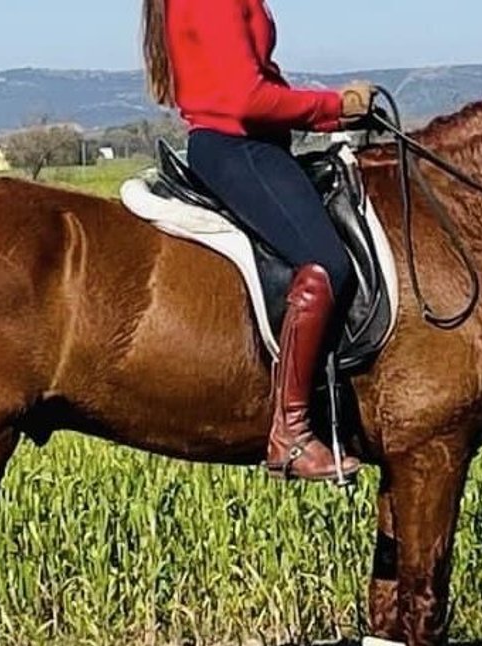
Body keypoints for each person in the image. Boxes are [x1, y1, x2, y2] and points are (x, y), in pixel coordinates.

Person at [142, 0, 373, 482]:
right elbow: (248, 99)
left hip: (253, 143)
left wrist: (334, 119)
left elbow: (258, 80)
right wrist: (334, 105)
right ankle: (290, 433)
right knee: (327, 264)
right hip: (236, 146)